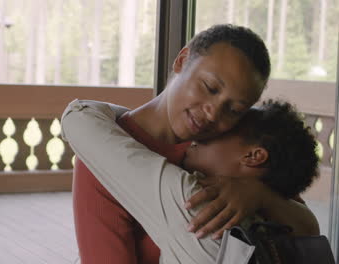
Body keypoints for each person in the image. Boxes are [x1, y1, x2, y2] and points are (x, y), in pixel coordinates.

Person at [68, 24, 319, 264]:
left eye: (233, 109)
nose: (212, 113)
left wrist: (259, 196)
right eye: (209, 87)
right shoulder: (105, 149)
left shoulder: (227, 152)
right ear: (182, 60)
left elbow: (306, 228)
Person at [61, 99, 320, 263]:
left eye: (225, 129)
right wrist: (260, 195)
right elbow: (308, 224)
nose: (207, 129)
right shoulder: (270, 217)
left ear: (253, 156)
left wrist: (149, 111)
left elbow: (81, 117)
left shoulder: (199, 203)